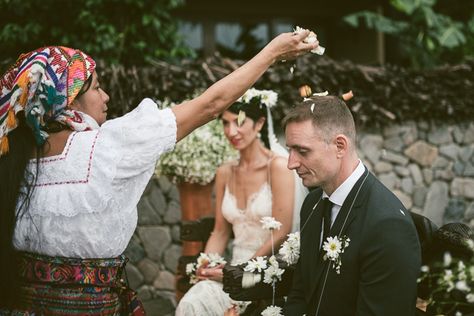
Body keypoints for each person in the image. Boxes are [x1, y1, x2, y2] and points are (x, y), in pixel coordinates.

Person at [0, 32, 317, 314]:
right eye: (97, 87)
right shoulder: (109, 147)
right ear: (67, 99)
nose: (106, 96)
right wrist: (273, 52)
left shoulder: (14, 160)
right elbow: (211, 104)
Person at [283, 95, 421, 316]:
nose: (291, 163)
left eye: (303, 151)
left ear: (340, 146)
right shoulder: (312, 203)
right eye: (289, 149)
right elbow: (300, 293)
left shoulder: (387, 226)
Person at [175, 88, 306, 316]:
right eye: (226, 123)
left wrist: (238, 272)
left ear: (259, 124)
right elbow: (219, 231)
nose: (231, 131)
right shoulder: (225, 172)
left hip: (267, 271)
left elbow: (282, 231)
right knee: (192, 302)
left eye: (239, 122)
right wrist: (207, 264)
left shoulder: (278, 167)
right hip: (230, 269)